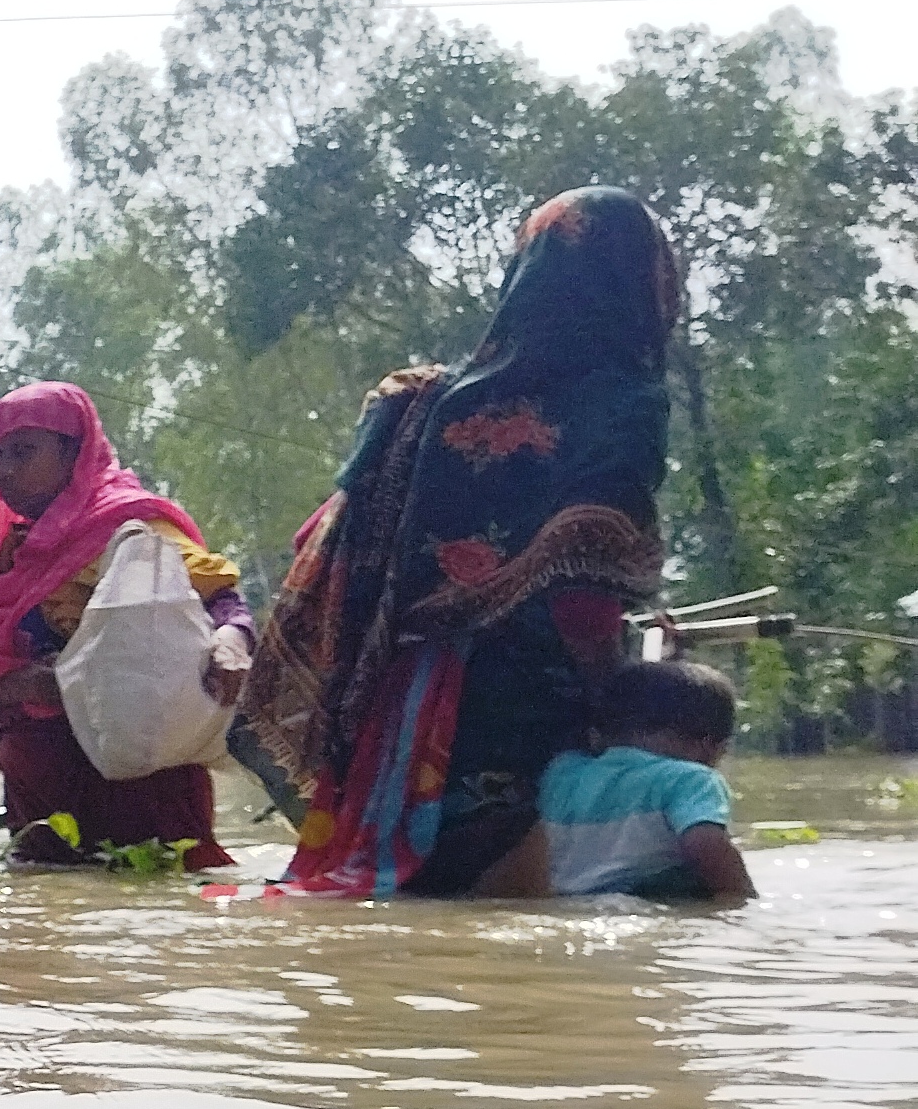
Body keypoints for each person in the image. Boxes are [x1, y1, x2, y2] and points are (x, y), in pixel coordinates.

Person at [249, 187, 679, 897]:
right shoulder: (622, 402)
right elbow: (585, 584)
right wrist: (611, 702)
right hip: (521, 707)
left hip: (396, 710)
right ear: (639, 278)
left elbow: (326, 537)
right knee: (526, 947)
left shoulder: (421, 398)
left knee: (408, 916)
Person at [0, 381, 252, 869]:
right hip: (41, 793)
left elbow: (223, 599)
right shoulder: (4, 558)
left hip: (145, 783)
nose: (4, 471)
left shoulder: (131, 531)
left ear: (75, 452)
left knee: (160, 913)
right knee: (43, 923)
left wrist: (231, 640)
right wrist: (20, 687)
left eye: (23, 452)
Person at [471, 660, 753, 902]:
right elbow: (705, 844)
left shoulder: (563, 772)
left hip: (567, 902)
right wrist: (743, 900)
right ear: (711, 746)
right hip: (644, 904)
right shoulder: (694, 780)